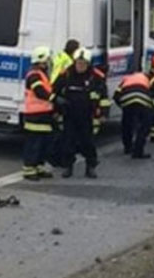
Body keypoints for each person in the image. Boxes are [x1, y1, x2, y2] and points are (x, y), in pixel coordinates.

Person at [53, 48, 108, 178]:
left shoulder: (96, 77)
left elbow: (104, 98)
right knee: (68, 142)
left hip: (88, 115)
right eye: (78, 63)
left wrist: (103, 114)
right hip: (69, 114)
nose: (80, 66)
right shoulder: (65, 74)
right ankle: (68, 167)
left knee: (88, 142)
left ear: (88, 64)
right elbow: (55, 92)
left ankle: (91, 166)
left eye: (83, 64)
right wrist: (56, 110)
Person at [21, 46, 55, 181]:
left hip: (44, 114)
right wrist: (54, 98)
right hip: (35, 115)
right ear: (41, 61)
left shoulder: (41, 74)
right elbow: (39, 91)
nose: (48, 63)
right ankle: (29, 170)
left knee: (43, 144)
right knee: (34, 144)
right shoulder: (34, 75)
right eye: (47, 60)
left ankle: (39, 167)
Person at [113, 68, 154, 159]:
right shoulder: (151, 78)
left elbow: (116, 95)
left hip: (126, 98)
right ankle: (137, 152)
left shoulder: (127, 78)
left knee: (127, 124)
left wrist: (124, 106)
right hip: (142, 97)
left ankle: (127, 147)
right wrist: (153, 109)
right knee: (144, 126)